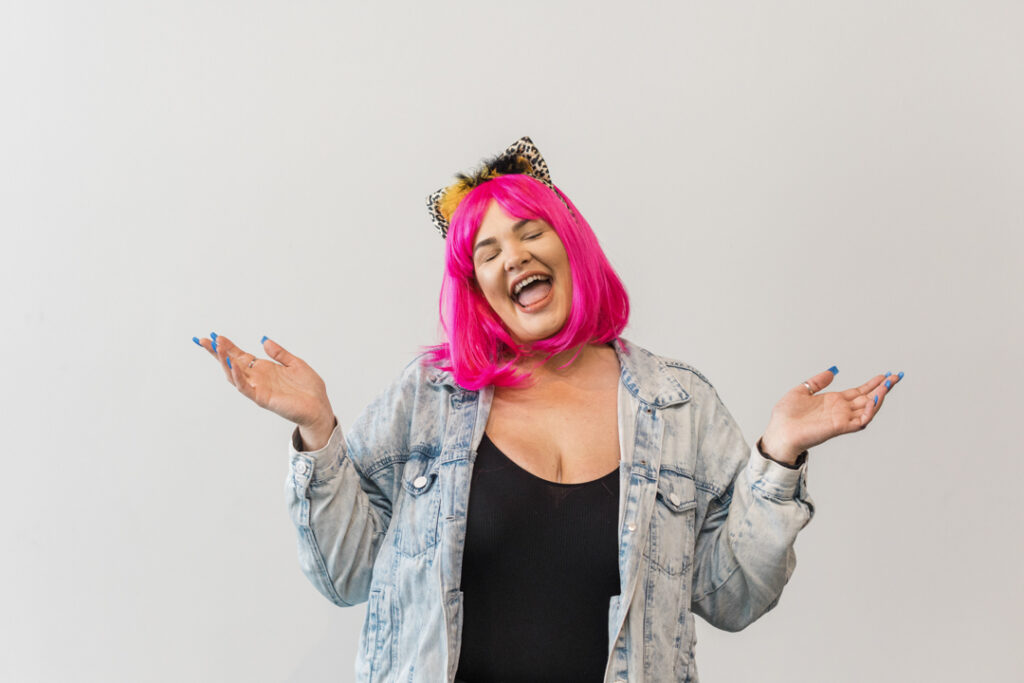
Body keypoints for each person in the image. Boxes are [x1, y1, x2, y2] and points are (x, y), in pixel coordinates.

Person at [194, 136, 902, 682]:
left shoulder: (676, 402)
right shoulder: (429, 396)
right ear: (478, 288)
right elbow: (348, 573)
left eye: (529, 232)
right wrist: (318, 430)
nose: (512, 258)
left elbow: (733, 595)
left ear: (569, 242)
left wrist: (777, 455)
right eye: (487, 251)